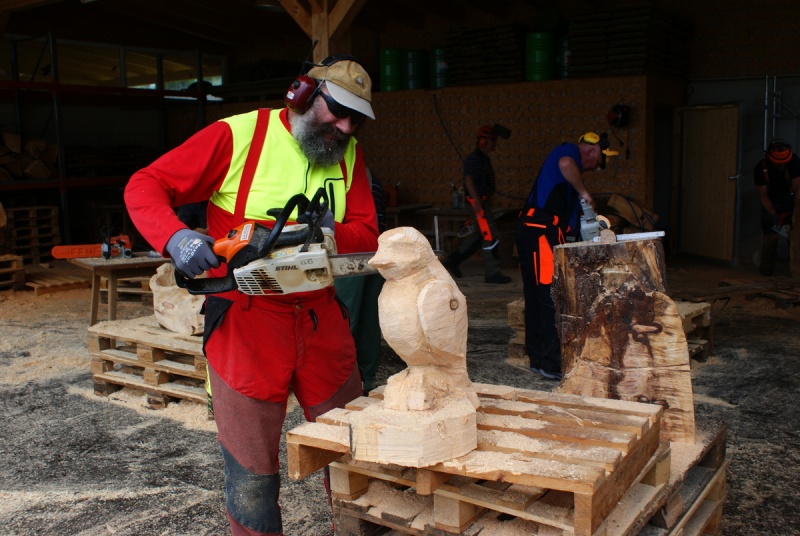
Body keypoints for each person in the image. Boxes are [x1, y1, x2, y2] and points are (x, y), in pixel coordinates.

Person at [124, 54, 379, 536]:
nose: (346, 127)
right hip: (246, 320)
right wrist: (176, 238)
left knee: (353, 455)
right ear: (303, 95)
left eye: (356, 120)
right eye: (338, 112)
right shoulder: (239, 136)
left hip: (320, 318)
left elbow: (368, 233)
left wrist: (326, 231)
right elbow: (145, 185)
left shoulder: (348, 153)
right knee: (252, 477)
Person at [515, 131, 617, 381]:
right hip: (540, 229)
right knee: (547, 294)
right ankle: (550, 363)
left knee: (539, 294)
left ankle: (539, 358)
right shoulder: (569, 152)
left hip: (546, 231)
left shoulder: (570, 184)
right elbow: (565, 164)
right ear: (592, 151)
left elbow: (572, 225)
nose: (593, 168)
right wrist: (584, 192)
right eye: (597, 163)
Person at [334, 169, 386, 394]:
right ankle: (365, 380)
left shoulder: (344, 172)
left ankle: (342, 382)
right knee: (368, 321)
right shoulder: (372, 177)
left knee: (344, 320)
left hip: (348, 256)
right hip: (375, 252)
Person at [442, 125, 512, 284]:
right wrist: (477, 202)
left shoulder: (483, 159)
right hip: (478, 203)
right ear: (482, 141)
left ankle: (453, 260)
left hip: (481, 202)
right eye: (492, 141)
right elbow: (468, 179)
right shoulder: (474, 159)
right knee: (490, 236)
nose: (494, 144)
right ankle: (492, 272)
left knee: (480, 235)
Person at [753, 138, 800, 276]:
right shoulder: (761, 168)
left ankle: (795, 269)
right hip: (771, 202)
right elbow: (762, 195)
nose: (781, 165)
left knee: (795, 235)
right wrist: (775, 216)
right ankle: (766, 268)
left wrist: (796, 211)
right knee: (770, 235)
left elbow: (798, 187)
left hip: (791, 201)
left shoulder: (795, 162)